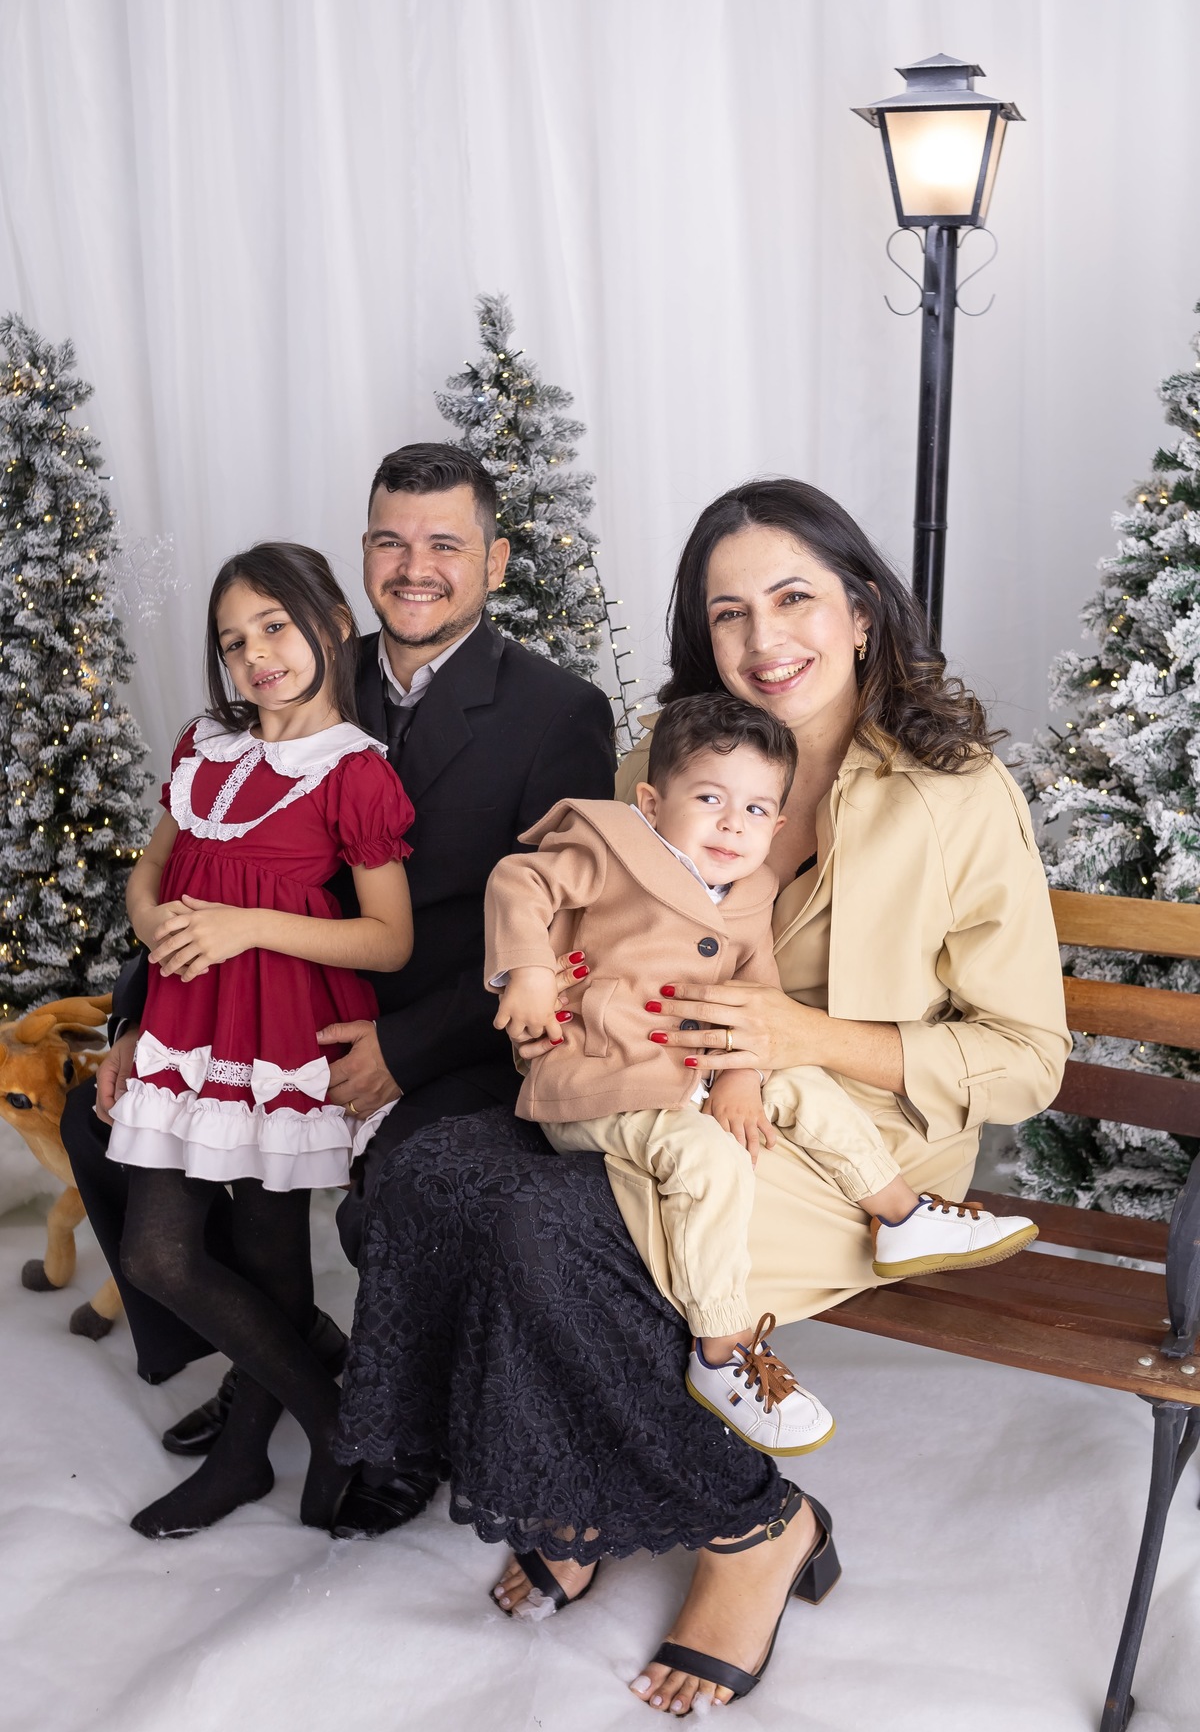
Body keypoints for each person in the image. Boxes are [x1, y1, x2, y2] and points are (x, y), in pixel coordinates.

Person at [335, 477, 1070, 1714]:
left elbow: (1022, 1059)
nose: (764, 638)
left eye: (794, 598)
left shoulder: (957, 795)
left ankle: (753, 1532)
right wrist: (573, 995)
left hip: (848, 1146)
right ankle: (577, 1485)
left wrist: (797, 1034)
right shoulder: (667, 763)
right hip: (649, 1092)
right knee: (420, 1176)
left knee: (556, 1236)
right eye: (729, 613)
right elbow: (572, 929)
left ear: (862, 611)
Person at [61, 443, 616, 1534]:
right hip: (266, 1005)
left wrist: (400, 1051)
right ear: (359, 555)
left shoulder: (558, 714)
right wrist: (136, 1021)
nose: (414, 567)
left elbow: (556, 925)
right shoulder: (304, 661)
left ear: (496, 562)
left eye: (444, 544)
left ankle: (379, 1415)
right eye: (390, 541)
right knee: (105, 1129)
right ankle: (275, 1352)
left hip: (446, 1027)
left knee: (402, 1175)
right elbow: (200, 876)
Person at [485, 688, 1037, 1459]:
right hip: (604, 1075)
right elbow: (521, 882)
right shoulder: (611, 846)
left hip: (694, 1062)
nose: (729, 825)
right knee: (709, 1159)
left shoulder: (749, 892)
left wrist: (744, 1075)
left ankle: (900, 1216)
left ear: (775, 826)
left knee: (804, 1084)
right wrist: (531, 973)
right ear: (651, 800)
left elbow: (761, 994)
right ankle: (723, 1352)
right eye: (709, 799)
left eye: (753, 811)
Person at [111, 541, 415, 1539]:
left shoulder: (354, 773)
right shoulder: (206, 744)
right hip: (187, 1028)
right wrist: (154, 921)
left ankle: (244, 1459)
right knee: (161, 1251)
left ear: (332, 621)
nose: (256, 656)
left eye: (275, 627)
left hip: (283, 1032)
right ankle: (332, 1425)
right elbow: (149, 875)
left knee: (270, 1250)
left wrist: (248, 925)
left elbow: (388, 936)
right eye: (234, 641)